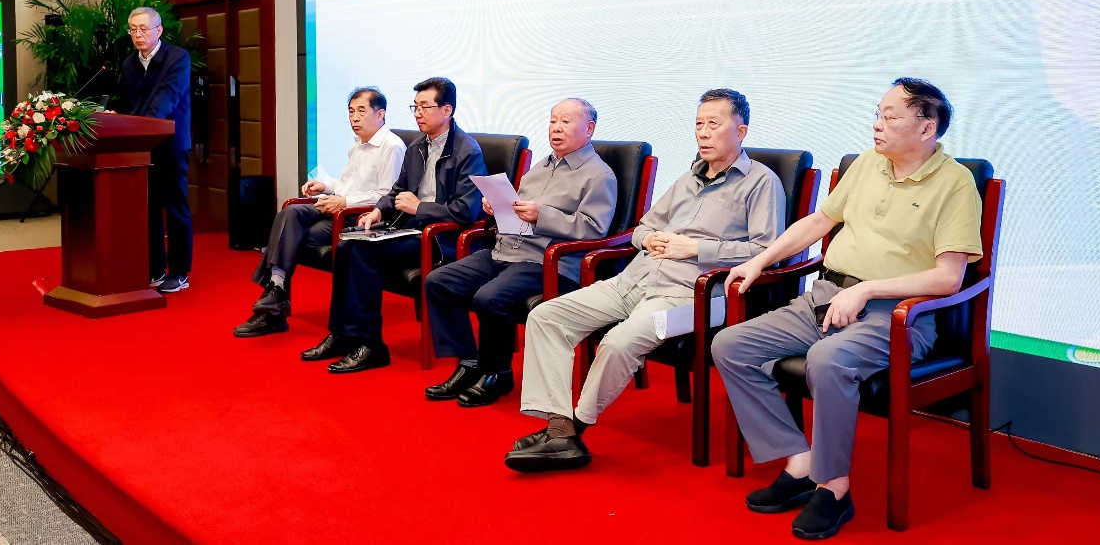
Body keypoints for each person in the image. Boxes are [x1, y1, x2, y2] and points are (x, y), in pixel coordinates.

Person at [711, 78, 983, 540]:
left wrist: (869, 290)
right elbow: (821, 220)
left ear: (927, 128)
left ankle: (834, 488)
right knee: (731, 345)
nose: (877, 124)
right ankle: (801, 463)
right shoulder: (867, 164)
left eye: (890, 117)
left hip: (899, 315)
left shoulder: (956, 184)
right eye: (878, 114)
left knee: (826, 359)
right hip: (826, 298)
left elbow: (948, 278)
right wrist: (758, 261)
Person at [505, 89, 786, 472]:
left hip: (692, 299)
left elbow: (767, 251)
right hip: (633, 281)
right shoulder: (688, 178)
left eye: (713, 124)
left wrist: (698, 248)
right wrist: (648, 239)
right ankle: (558, 427)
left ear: (741, 131)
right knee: (545, 316)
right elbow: (642, 228)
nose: (703, 133)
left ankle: (573, 430)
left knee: (618, 342)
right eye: (699, 124)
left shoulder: (761, 182)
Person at [423, 99, 617, 408]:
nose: (556, 128)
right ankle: (469, 363)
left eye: (566, 122)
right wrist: (497, 208)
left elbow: (594, 229)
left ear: (589, 128)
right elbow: (518, 210)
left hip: (548, 261)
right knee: (439, 281)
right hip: (508, 249)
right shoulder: (542, 166)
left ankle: (496, 373)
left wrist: (543, 215)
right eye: (553, 121)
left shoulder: (599, 175)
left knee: (489, 298)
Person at [301, 77, 486, 373]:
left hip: (441, 239)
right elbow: (397, 190)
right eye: (415, 107)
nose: (418, 113)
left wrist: (420, 208)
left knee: (364, 253)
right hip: (411, 228)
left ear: (447, 110)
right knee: (347, 245)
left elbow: (466, 210)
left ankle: (371, 344)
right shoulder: (418, 146)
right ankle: (342, 333)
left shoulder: (467, 151)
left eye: (425, 106)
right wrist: (377, 211)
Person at [233, 87, 404, 337]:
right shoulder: (358, 143)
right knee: (290, 213)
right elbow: (348, 183)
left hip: (360, 217)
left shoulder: (392, 147)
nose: (354, 118)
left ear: (380, 114)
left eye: (361, 111)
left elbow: (386, 196)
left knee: (290, 235)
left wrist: (344, 201)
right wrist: (326, 187)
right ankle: (275, 291)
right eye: (351, 112)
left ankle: (273, 304)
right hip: (339, 206)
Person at [116, 7, 194, 294]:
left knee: (175, 207)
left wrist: (141, 125)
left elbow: (167, 97)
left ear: (158, 31)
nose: (138, 34)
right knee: (148, 209)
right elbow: (129, 103)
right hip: (142, 146)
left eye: (143, 29)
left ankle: (180, 272)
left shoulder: (177, 58)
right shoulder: (129, 63)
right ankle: (155, 269)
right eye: (133, 29)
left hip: (171, 143)